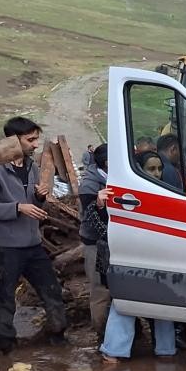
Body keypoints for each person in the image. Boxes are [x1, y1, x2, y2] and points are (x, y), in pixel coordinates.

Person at [0, 117, 68, 352]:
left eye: (36, 139)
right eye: (30, 139)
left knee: (51, 290)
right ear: (13, 140)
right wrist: (17, 207)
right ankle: (6, 345)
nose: (35, 145)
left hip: (33, 243)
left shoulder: (32, 167)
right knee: (5, 296)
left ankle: (58, 336)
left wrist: (39, 197)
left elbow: (35, 207)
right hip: (5, 246)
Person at [86, 185, 176, 364]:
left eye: (158, 169)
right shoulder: (117, 194)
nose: (156, 173)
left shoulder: (167, 191)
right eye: (151, 169)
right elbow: (100, 227)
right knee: (126, 300)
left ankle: (117, 350)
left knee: (147, 300)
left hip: (153, 255)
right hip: (130, 256)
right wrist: (99, 206)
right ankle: (118, 349)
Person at [78, 144, 112, 338]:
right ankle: (102, 334)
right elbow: (92, 218)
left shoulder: (109, 177)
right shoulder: (89, 186)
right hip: (96, 244)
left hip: (112, 241)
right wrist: (99, 204)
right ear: (107, 163)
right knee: (100, 291)